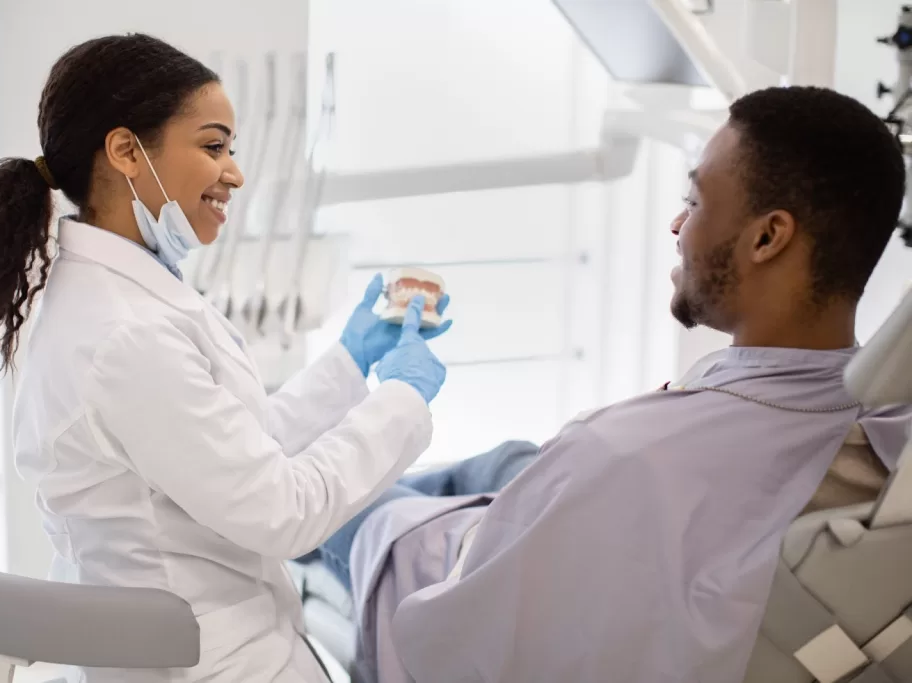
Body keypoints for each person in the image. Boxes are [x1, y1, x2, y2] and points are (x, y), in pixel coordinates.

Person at [309, 85, 912, 683]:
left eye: (695, 202)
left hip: (486, 553)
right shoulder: (885, 426)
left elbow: (454, 638)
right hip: (608, 504)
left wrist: (388, 480)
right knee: (508, 459)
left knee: (355, 504)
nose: (678, 224)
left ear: (766, 238)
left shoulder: (623, 451)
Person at [0, 34, 453, 683]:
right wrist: (403, 400)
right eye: (213, 146)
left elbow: (236, 447)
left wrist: (351, 363)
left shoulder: (117, 297)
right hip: (206, 663)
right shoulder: (125, 333)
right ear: (127, 151)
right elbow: (283, 511)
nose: (235, 172)